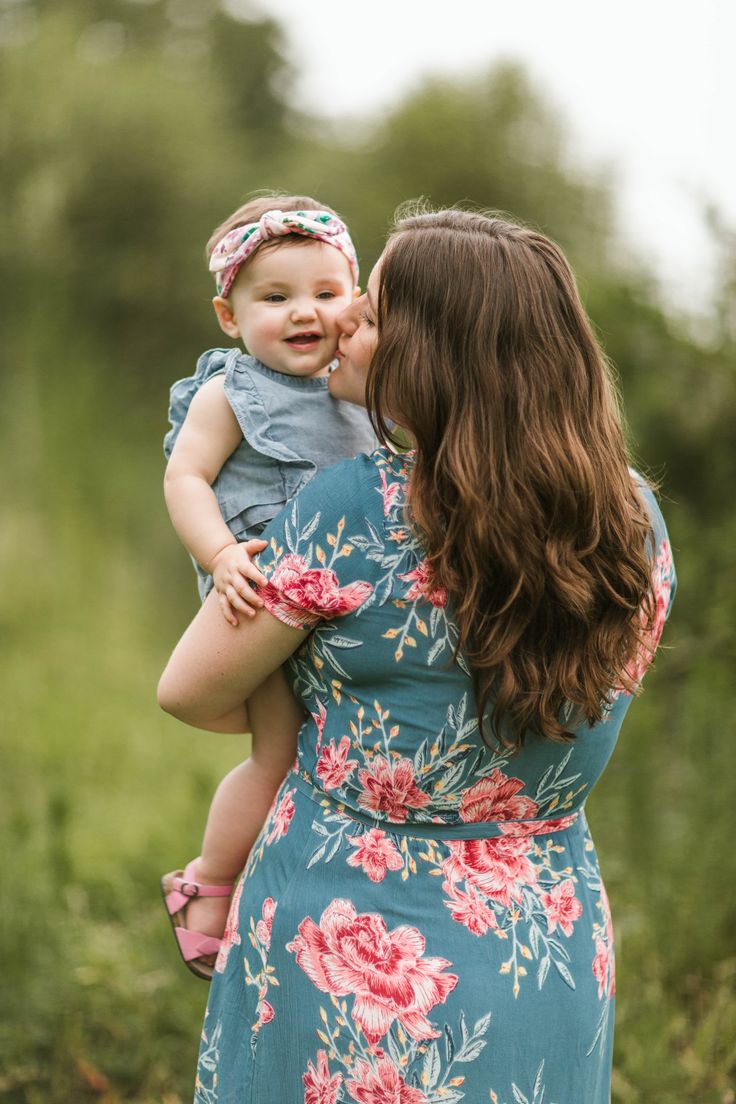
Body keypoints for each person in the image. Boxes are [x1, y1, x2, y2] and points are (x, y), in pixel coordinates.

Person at [158, 207, 676, 1101]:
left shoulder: (350, 506)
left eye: (373, 312)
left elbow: (191, 692)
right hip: (543, 946)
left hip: (349, 948)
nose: (345, 321)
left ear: (432, 352)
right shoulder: (633, 515)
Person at [160, 193, 377, 977]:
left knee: (341, 757)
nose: (304, 313)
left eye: (326, 292)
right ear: (229, 315)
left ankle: (298, 890)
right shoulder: (233, 392)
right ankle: (209, 884)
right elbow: (186, 477)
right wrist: (220, 555)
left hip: (349, 604)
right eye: (275, 297)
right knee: (277, 752)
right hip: (261, 594)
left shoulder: (364, 388)